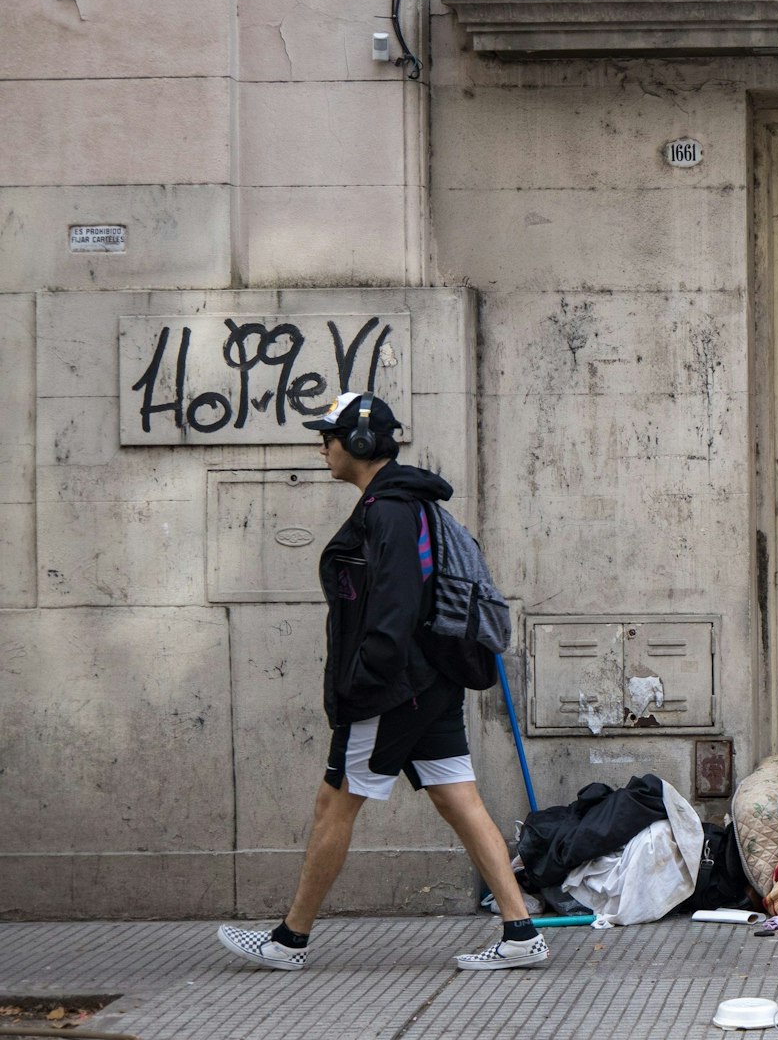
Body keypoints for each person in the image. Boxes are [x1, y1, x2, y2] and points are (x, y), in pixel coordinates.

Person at [216, 392, 549, 972]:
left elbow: (395, 607)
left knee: (334, 803)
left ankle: (289, 940)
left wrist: (362, 681)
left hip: (393, 689)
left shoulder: (389, 510)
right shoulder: (404, 503)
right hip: (431, 682)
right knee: (458, 798)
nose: (322, 447)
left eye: (329, 437)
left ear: (360, 442)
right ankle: (521, 933)